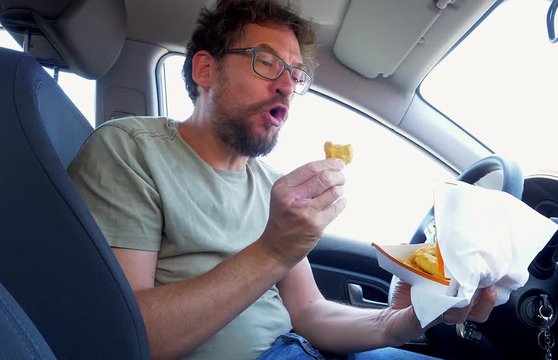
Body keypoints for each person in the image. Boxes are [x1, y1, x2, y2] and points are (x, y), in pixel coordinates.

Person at [68, 0, 497, 359]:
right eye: (266, 62)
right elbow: (129, 336)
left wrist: (402, 321)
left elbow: (309, 312)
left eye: (296, 75)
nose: (287, 87)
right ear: (205, 71)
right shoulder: (129, 150)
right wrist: (273, 249)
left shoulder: (270, 182)